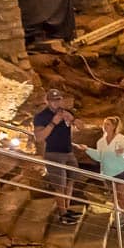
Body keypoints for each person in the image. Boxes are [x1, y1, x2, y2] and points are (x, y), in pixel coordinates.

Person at [78, 116, 124, 233]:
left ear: (114, 126)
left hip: (120, 172)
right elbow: (99, 157)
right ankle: (123, 217)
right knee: (115, 198)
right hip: (108, 174)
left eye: (108, 124)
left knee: (122, 196)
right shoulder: (101, 142)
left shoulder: (120, 138)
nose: (105, 126)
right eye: (104, 124)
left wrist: (123, 151)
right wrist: (87, 149)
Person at [33, 89, 81, 224]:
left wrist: (74, 120)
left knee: (71, 181)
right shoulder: (41, 116)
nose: (56, 102)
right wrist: (53, 122)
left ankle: (67, 208)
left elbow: (81, 127)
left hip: (69, 152)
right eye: (53, 100)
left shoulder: (67, 112)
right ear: (47, 101)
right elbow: (39, 137)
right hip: (53, 153)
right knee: (60, 185)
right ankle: (63, 214)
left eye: (58, 99)